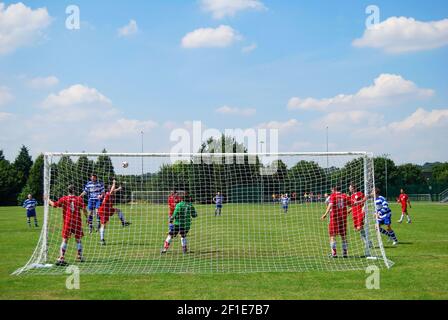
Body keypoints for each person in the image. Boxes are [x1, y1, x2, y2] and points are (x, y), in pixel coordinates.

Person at [48, 185, 88, 266]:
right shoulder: (79, 199)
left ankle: (62, 257)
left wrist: (48, 200)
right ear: (75, 191)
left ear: (68, 190)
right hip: (77, 222)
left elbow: (54, 205)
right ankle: (79, 256)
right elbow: (84, 209)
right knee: (78, 240)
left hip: (68, 222)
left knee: (65, 240)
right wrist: (87, 218)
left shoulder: (64, 198)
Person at [97, 179, 130, 245]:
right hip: (103, 211)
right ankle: (102, 240)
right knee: (103, 225)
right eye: (113, 188)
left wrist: (119, 188)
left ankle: (123, 222)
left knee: (118, 210)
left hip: (108, 209)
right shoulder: (108, 194)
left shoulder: (111, 193)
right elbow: (112, 190)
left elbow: (113, 190)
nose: (114, 190)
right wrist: (114, 182)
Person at [321, 185, 350, 258]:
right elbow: (352, 204)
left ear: (334, 189)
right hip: (343, 218)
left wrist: (325, 214)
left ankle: (334, 253)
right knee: (343, 236)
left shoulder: (333, 196)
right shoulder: (345, 196)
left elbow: (330, 205)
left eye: (331, 189)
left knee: (332, 235)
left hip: (334, 218)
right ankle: (345, 253)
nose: (331, 191)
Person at [348, 184, 372, 256]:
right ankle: (368, 242)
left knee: (359, 228)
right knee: (359, 229)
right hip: (354, 214)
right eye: (349, 188)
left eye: (350, 188)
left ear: (354, 188)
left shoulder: (360, 194)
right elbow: (354, 205)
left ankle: (367, 243)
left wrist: (363, 209)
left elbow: (365, 201)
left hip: (360, 213)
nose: (349, 189)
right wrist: (350, 210)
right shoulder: (351, 196)